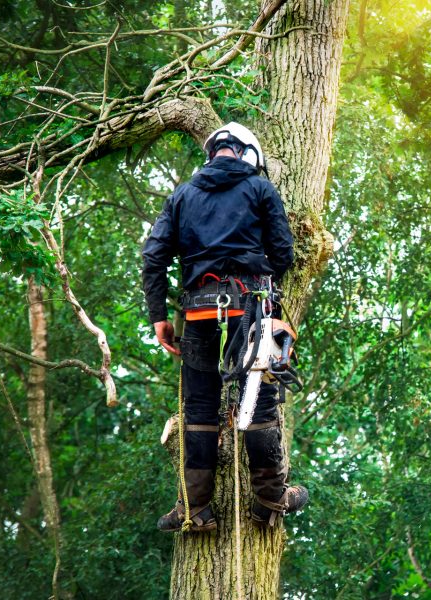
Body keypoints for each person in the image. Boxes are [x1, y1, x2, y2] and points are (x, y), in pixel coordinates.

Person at [142, 122, 308, 532]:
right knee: (260, 402)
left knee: (199, 407)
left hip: (198, 313)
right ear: (249, 154)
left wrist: (158, 317)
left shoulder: (182, 195)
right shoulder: (260, 189)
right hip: (251, 309)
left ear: (212, 154)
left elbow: (154, 258)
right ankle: (270, 498)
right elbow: (283, 253)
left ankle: (195, 509)